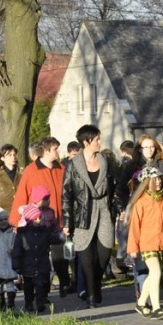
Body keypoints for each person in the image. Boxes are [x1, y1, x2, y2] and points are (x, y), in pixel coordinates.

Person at [62, 124, 118, 309]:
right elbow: (67, 195)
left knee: (104, 254)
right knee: (86, 257)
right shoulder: (73, 165)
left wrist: (119, 208)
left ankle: (95, 284)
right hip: (83, 213)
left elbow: (115, 188)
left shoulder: (105, 161)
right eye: (96, 139)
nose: (99, 142)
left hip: (103, 210)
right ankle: (92, 295)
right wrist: (67, 221)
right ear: (86, 142)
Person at [10, 137, 71, 297]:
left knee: (61, 254)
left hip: (58, 219)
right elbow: (22, 195)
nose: (58, 151)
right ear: (46, 150)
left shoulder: (61, 169)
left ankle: (65, 283)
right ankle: (42, 291)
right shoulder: (31, 170)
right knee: (40, 257)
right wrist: (18, 222)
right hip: (37, 222)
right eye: (55, 149)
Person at [126, 166, 163, 320]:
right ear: (146, 182)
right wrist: (133, 247)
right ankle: (157, 308)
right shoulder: (141, 202)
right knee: (155, 272)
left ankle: (141, 303)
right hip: (146, 244)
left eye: (159, 179)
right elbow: (135, 226)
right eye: (154, 179)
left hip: (161, 243)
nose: (158, 182)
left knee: (153, 275)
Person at [13, 203, 64, 314]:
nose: (38, 220)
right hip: (27, 264)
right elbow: (17, 250)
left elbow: (54, 239)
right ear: (29, 220)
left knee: (41, 284)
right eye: (35, 218)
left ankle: (40, 302)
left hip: (42, 263)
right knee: (28, 287)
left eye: (40, 217)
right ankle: (28, 303)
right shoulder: (22, 234)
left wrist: (62, 236)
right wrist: (16, 264)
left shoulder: (45, 232)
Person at [117, 134, 163, 209]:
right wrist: (128, 205)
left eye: (152, 147)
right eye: (146, 147)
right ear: (140, 149)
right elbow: (122, 189)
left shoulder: (162, 165)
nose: (149, 150)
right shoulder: (131, 166)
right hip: (137, 208)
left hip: (157, 207)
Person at [0, 144, 22, 214]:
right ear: (2, 158)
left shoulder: (22, 173)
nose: (13, 157)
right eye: (9, 155)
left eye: (14, 155)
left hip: (20, 210)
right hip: (3, 212)